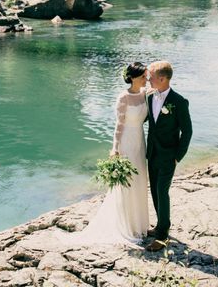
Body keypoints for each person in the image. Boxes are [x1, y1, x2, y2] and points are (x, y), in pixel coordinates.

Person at [57, 62, 149, 245]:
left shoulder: (145, 94)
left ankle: (139, 225)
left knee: (139, 180)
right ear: (132, 78)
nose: (146, 79)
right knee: (127, 182)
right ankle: (125, 225)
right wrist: (115, 148)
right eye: (143, 77)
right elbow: (119, 125)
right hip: (126, 143)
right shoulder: (123, 97)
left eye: (146, 76)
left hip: (140, 141)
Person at [144, 61, 193, 252]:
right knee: (155, 191)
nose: (148, 79)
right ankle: (159, 225)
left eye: (151, 77)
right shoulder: (149, 97)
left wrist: (178, 156)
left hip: (168, 156)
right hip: (152, 153)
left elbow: (187, 132)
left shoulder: (179, 102)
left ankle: (162, 236)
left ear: (162, 79)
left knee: (162, 192)